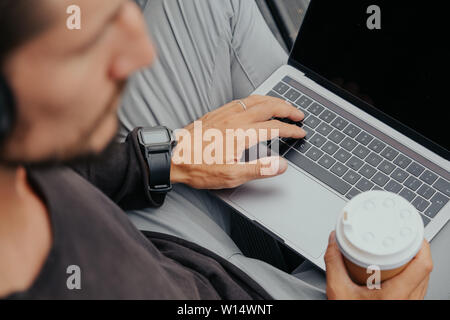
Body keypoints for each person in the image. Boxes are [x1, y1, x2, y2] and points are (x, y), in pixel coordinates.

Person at [0, 0, 432, 299]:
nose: (139, 50)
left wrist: (167, 157)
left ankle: (330, 127)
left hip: (148, 234)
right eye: (82, 43)